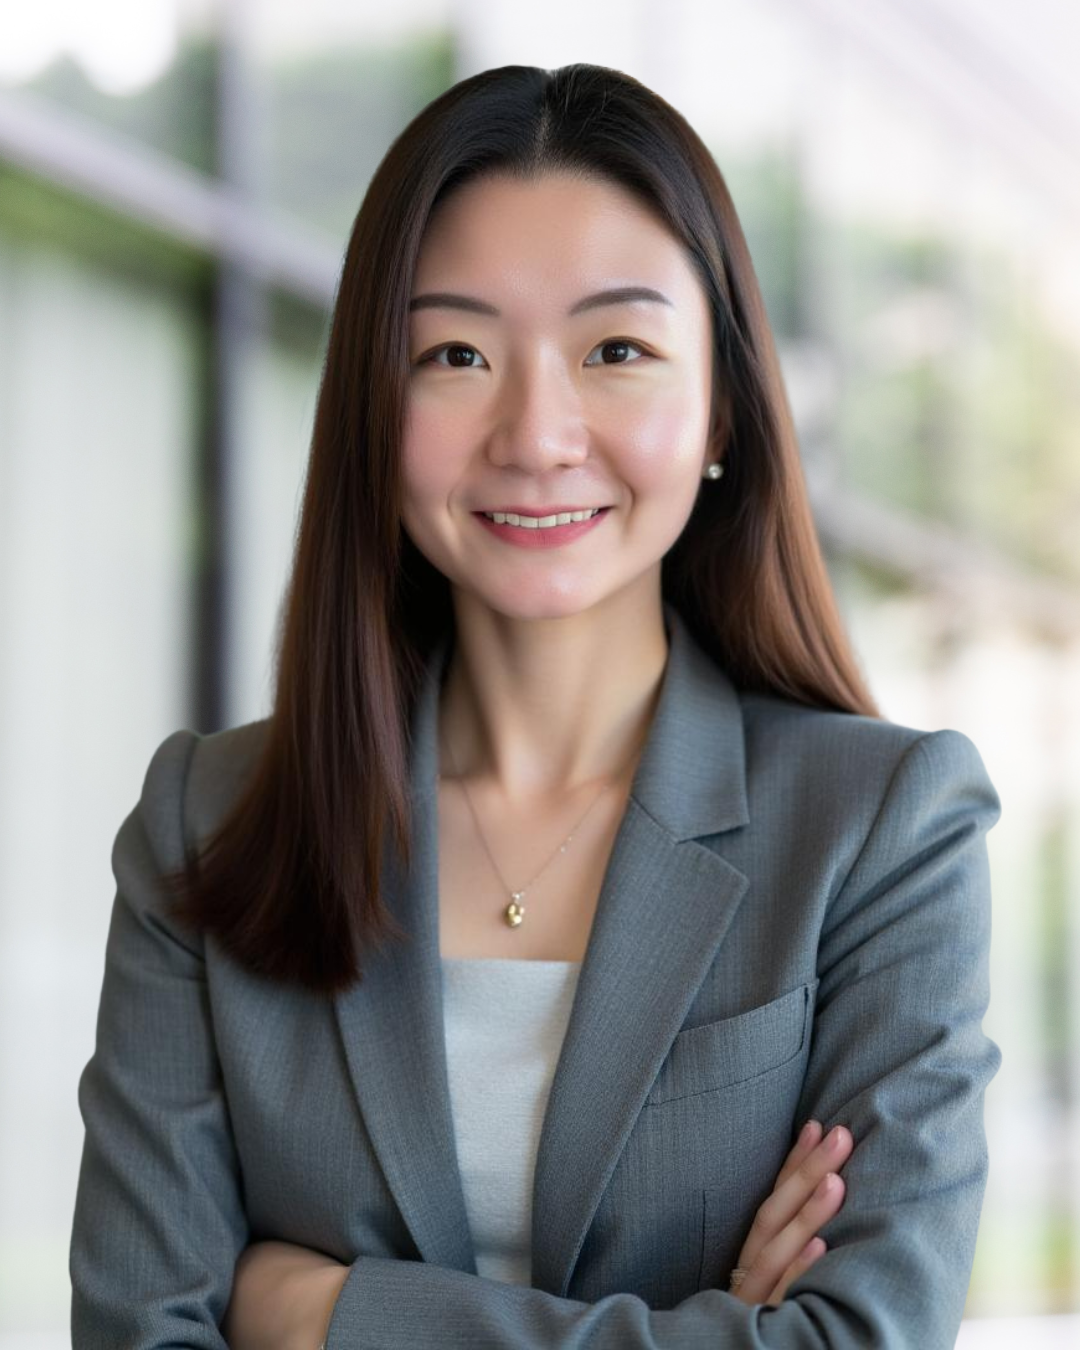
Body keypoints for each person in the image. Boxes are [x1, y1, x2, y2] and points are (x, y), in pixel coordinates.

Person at [69, 63, 1001, 1349]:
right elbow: (138, 1331)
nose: (537, 432)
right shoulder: (207, 823)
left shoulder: (882, 827)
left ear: (723, 401)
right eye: (455, 353)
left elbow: (869, 1336)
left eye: (615, 350)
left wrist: (329, 1314)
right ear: (372, 408)